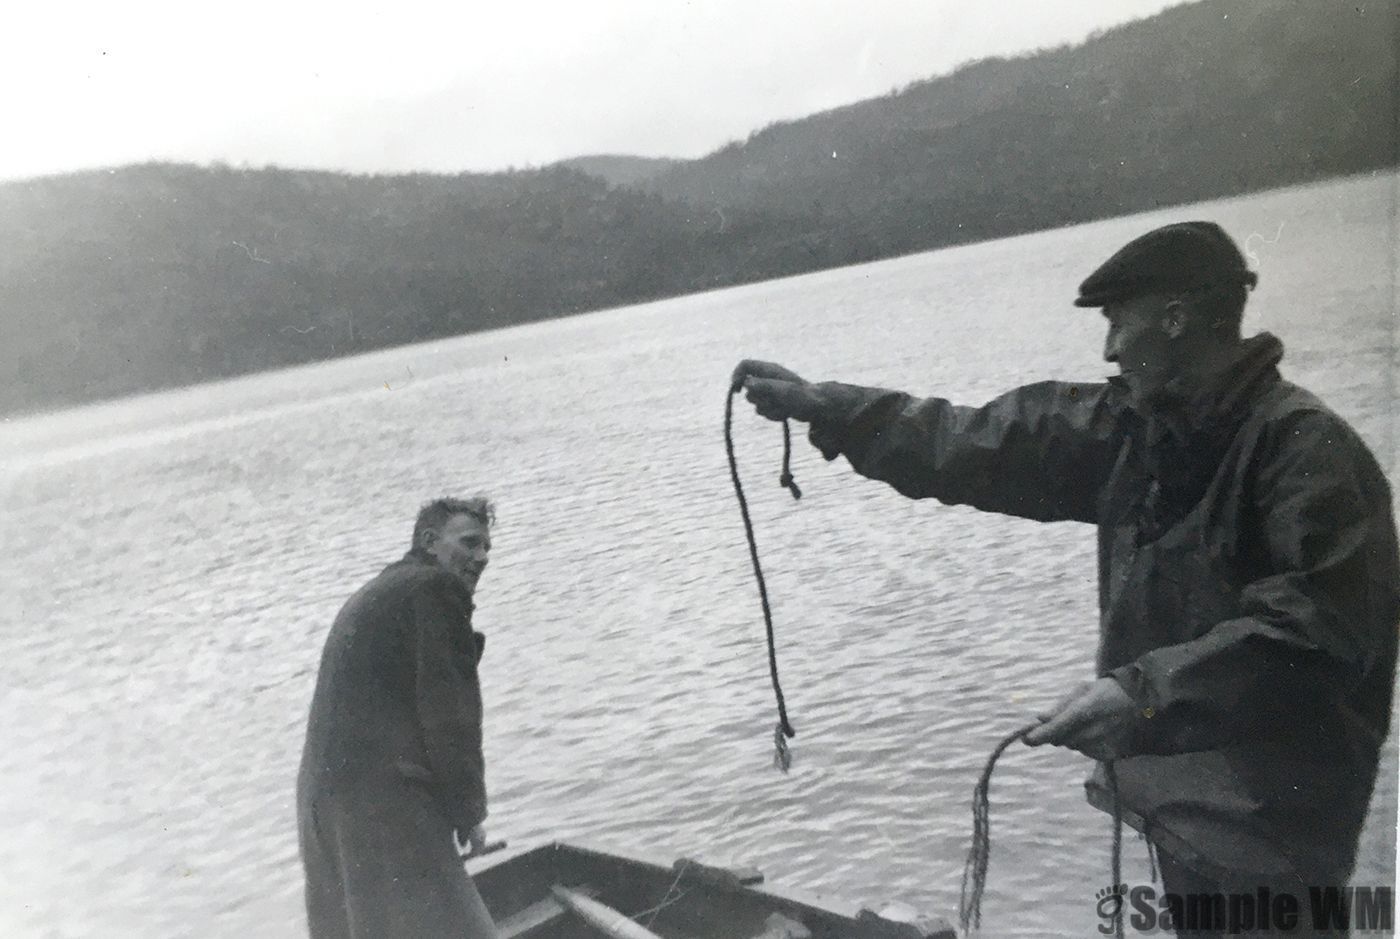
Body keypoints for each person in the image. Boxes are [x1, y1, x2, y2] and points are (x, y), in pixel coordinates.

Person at [733, 221, 1398, 935]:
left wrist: (1139, 694)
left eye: (1118, 323)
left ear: (1174, 320)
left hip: (1278, 828)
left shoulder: (1303, 447)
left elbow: (1317, 629)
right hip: (1190, 805)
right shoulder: (1134, 429)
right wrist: (830, 407)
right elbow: (977, 441)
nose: (1109, 348)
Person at [297, 496, 500, 938]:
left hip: (323, 805)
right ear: (429, 540)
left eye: (487, 547)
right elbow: (450, 717)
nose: (482, 558)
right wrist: (469, 814)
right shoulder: (434, 590)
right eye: (469, 543)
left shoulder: (386, 588)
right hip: (382, 804)